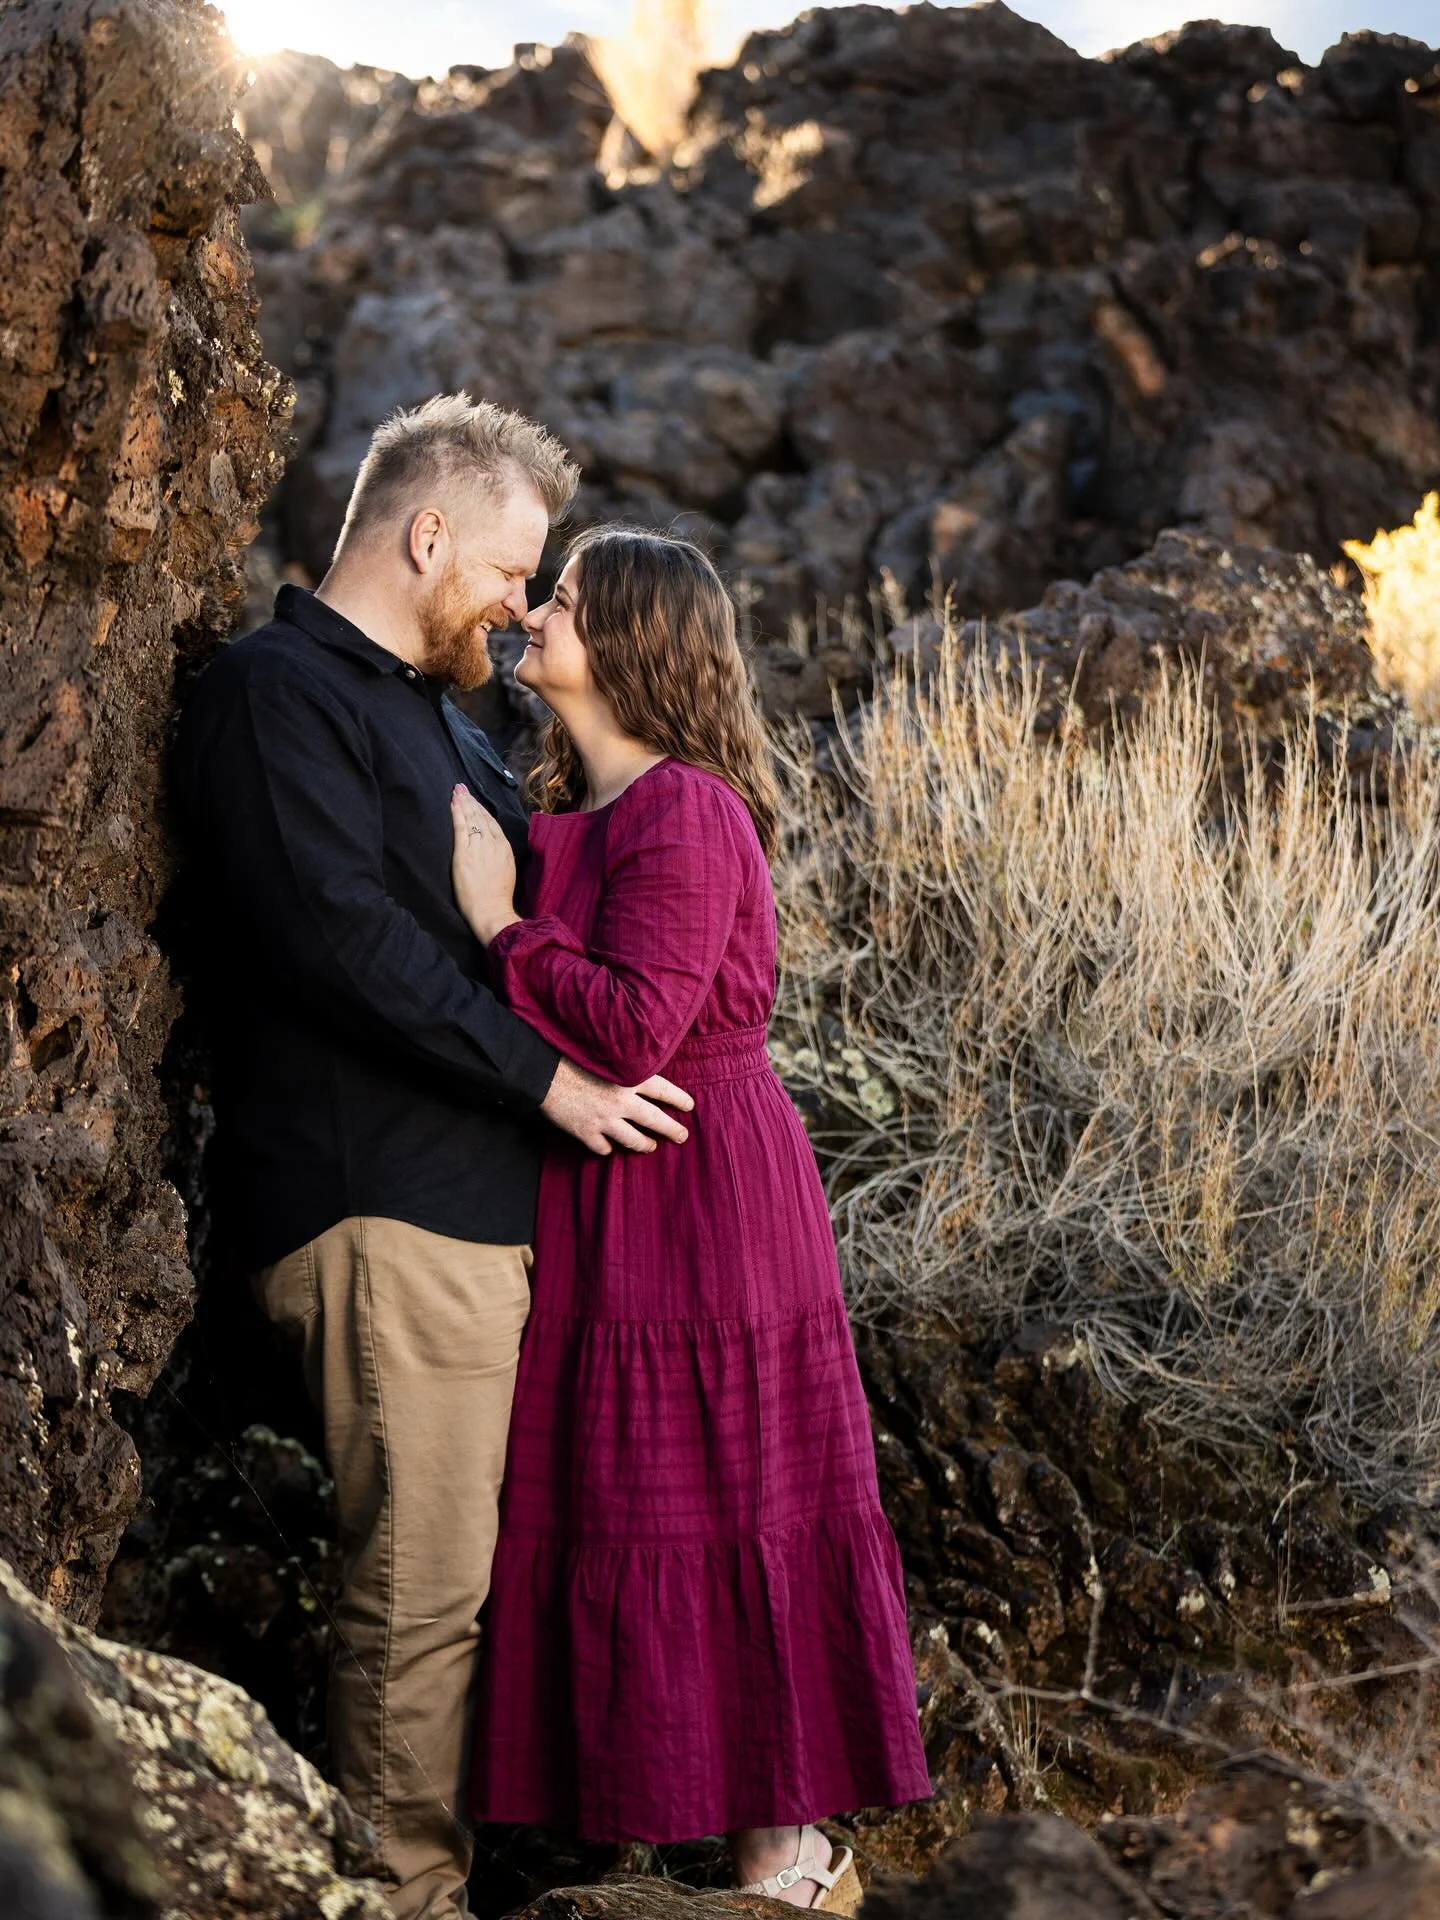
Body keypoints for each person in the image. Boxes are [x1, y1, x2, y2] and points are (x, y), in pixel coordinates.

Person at [174, 398, 694, 1920]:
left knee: (478, 1584)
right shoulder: (276, 693)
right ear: (425, 536)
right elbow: (338, 941)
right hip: (381, 1210)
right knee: (418, 1594)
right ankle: (402, 1899)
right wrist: (553, 1082)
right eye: (514, 572)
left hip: (489, 1218)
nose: (523, 609)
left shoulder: (452, 721)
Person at [452, 525, 932, 1912]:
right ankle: (634, 1829)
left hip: (701, 1189)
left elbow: (634, 1027)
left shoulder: (686, 810)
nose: (534, 614)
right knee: (620, 1498)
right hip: (606, 1189)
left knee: (731, 1495)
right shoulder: (570, 809)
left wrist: (497, 922)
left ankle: (786, 1860)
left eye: (564, 600)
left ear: (633, 642)